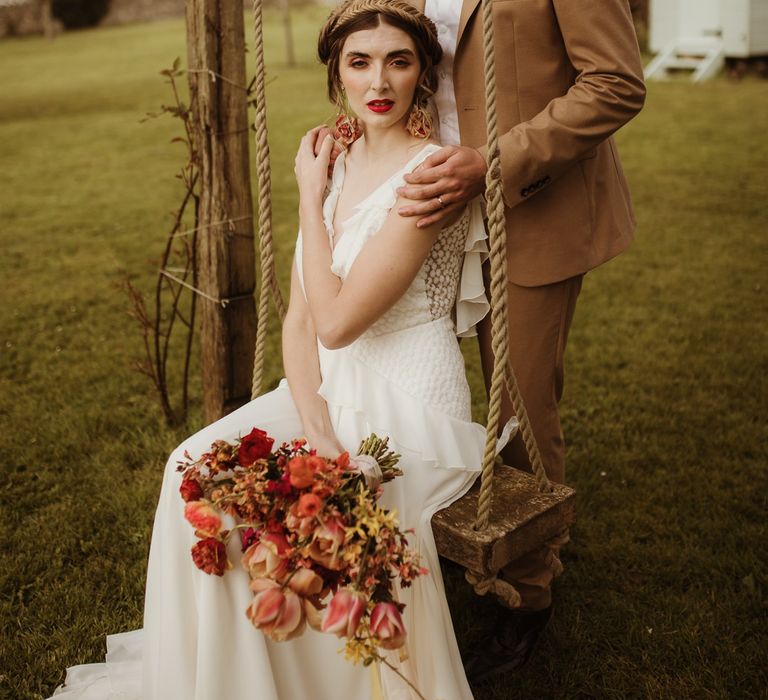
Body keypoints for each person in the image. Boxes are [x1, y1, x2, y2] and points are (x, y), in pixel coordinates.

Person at [46, 1, 504, 698]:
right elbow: (297, 321)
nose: (378, 79)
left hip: (409, 406)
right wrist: (317, 431)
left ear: (421, 76)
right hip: (324, 391)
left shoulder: (428, 176)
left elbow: (339, 321)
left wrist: (307, 196)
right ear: (338, 75)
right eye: (360, 62)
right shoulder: (335, 159)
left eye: (398, 61)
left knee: (315, 520)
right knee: (188, 468)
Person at [389, 0, 647, 683]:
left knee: (519, 411)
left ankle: (527, 594)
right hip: (426, 205)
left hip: (531, 206)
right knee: (417, 383)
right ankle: (431, 540)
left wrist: (494, 161)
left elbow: (615, 82)